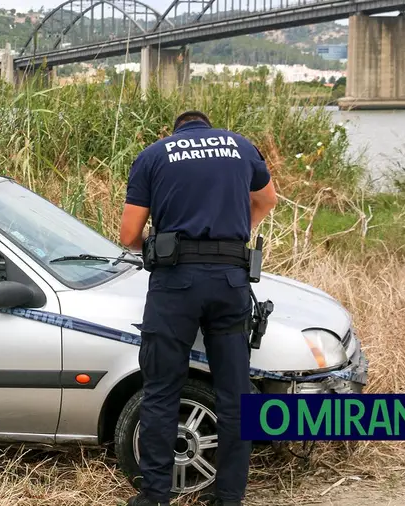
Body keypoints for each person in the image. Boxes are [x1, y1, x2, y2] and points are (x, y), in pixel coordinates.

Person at [118, 111, 278, 506]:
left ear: (175, 130)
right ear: (209, 127)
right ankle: (228, 497)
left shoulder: (154, 155)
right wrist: (236, 230)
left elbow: (128, 235)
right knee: (235, 395)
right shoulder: (240, 147)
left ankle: (155, 496)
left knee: (160, 391)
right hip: (230, 281)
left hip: (176, 285)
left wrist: (160, 247)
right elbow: (266, 199)